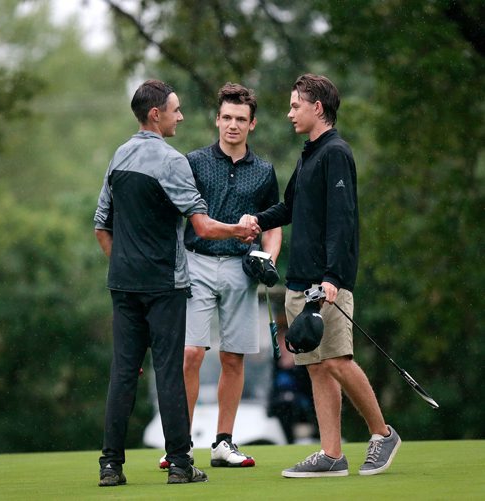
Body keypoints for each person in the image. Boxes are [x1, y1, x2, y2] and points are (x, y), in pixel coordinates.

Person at [93, 79, 259, 487]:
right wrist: (239, 231)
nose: (180, 116)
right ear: (156, 114)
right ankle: (181, 465)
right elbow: (200, 226)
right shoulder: (172, 161)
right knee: (169, 372)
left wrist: (126, 267)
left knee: (123, 375)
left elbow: (101, 226)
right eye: (176, 109)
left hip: (124, 284)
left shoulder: (119, 156)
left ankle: (110, 467)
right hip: (165, 285)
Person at [248, 74, 401, 477]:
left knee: (337, 360)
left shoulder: (336, 152)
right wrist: (255, 222)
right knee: (316, 366)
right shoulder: (308, 154)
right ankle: (331, 454)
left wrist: (334, 276)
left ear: (318, 107)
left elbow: (343, 220)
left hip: (326, 282)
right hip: (300, 281)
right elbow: (290, 207)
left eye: (296, 105)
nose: (289, 112)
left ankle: (382, 433)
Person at [159, 82, 282, 470]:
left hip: (241, 269)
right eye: (226, 117)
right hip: (195, 262)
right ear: (217, 119)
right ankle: (180, 445)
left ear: (252, 124)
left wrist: (268, 257)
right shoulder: (193, 162)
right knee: (191, 354)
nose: (232, 125)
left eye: (240, 119)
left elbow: (273, 225)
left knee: (233, 358)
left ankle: (223, 444)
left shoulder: (264, 172)